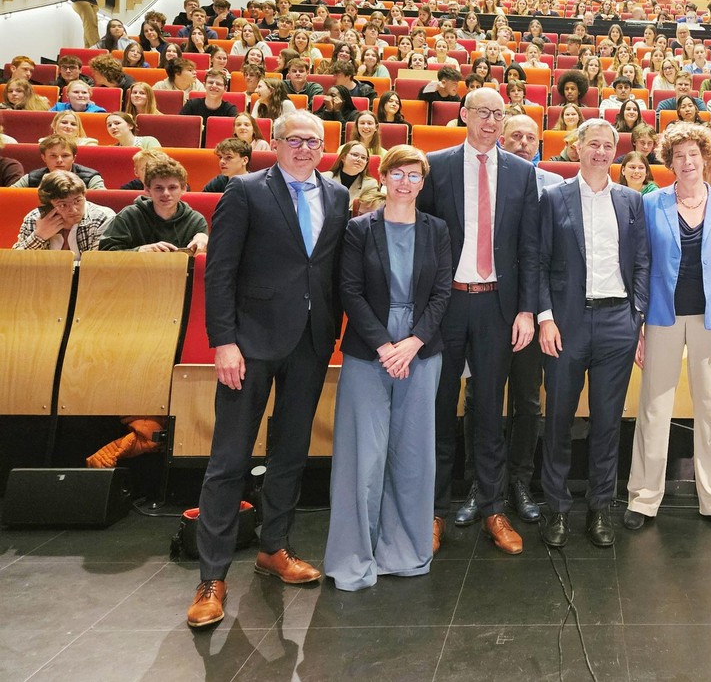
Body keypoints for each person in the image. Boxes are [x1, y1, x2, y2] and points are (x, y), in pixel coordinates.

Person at [188, 111, 351, 629]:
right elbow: (221, 272)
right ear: (275, 142)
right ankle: (211, 576)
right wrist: (224, 342)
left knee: (291, 453)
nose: (305, 148)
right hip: (251, 344)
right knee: (228, 458)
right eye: (295, 140)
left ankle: (273, 548)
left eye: (314, 141)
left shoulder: (338, 196)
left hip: (310, 341)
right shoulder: (245, 191)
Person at [417, 88, 539, 556]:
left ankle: (491, 508)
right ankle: (433, 512)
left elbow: (529, 248)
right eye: (483, 112)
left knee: (489, 411)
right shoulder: (438, 165)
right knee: (439, 409)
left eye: (498, 114)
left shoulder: (522, 173)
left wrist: (526, 308)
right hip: (446, 305)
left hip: (497, 307)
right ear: (464, 115)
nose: (490, 121)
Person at [324, 145, 452, 591]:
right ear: (385, 176)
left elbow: (441, 294)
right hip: (369, 349)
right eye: (398, 173)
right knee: (363, 457)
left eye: (414, 176)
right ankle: (353, 557)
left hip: (421, 348)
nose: (406, 182)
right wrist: (385, 346)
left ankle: (405, 552)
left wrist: (412, 343)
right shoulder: (360, 229)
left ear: (423, 181)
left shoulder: (437, 230)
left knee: (413, 455)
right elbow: (350, 292)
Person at [624, 121, 711, 532]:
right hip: (661, 315)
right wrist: (637, 323)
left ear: (706, 157)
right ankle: (643, 497)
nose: (687, 161)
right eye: (679, 155)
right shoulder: (651, 203)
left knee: (710, 409)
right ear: (669, 162)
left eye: (694, 153)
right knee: (654, 408)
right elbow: (640, 265)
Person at [537, 120, 650, 549]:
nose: (601, 152)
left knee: (607, 422)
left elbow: (641, 261)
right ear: (578, 147)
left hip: (616, 322)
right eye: (593, 145)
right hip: (565, 324)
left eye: (608, 145)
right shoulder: (553, 197)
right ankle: (557, 508)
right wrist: (545, 317)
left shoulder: (630, 201)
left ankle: (601, 505)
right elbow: (539, 262)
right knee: (559, 420)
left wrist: (636, 316)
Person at [99, 157, 209, 253]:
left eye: (172, 187)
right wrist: (140, 251)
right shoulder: (129, 216)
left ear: (184, 189)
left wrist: (205, 247)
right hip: (135, 275)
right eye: (158, 188)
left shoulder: (196, 221)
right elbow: (105, 254)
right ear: (147, 190)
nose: (166, 193)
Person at [13, 170, 116, 253]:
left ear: (84, 195)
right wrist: (39, 236)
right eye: (63, 205)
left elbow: (97, 266)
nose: (73, 210)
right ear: (49, 206)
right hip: (42, 278)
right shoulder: (34, 219)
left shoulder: (102, 218)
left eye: (78, 201)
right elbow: (15, 264)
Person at [9, 135, 105, 189]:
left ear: (74, 158)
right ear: (44, 158)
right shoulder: (31, 178)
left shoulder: (91, 177)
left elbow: (102, 201)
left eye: (65, 156)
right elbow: (9, 196)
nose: (59, 160)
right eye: (53, 156)